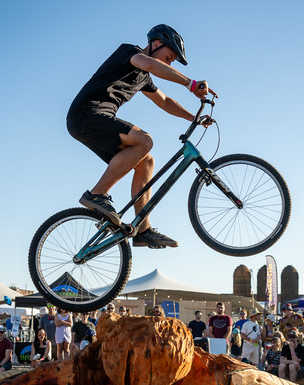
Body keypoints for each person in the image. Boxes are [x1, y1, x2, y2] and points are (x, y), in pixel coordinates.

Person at [67, 25, 214, 249]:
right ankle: (96, 194)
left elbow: (164, 101)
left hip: (90, 122)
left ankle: (143, 230)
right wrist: (190, 84)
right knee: (145, 140)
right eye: (169, 57)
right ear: (156, 43)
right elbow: (149, 64)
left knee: (146, 161)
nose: (169, 63)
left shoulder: (144, 77)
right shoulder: (130, 52)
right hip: (87, 115)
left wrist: (193, 118)